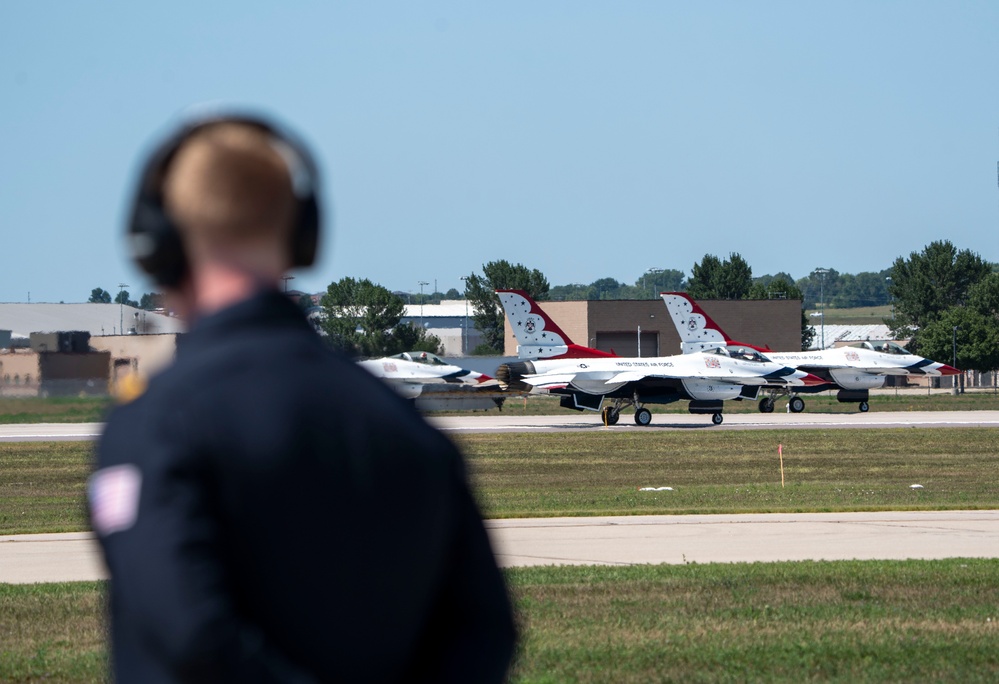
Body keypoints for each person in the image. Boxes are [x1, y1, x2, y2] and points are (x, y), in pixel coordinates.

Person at [87, 111, 517, 682]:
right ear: (304, 236)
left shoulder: (151, 426)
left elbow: (190, 634)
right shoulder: (403, 427)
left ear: (156, 245)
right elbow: (485, 631)